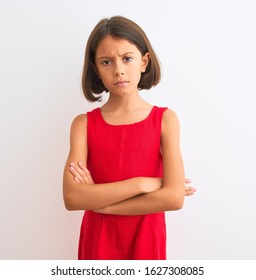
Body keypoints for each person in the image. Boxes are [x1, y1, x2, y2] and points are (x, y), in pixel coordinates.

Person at [62, 16, 196, 260]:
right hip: (98, 238)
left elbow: (174, 197)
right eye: (106, 62)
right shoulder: (83, 125)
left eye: (127, 58)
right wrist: (144, 184)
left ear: (144, 61)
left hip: (146, 236)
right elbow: (72, 197)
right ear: (95, 68)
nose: (118, 70)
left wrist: (101, 203)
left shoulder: (165, 120)